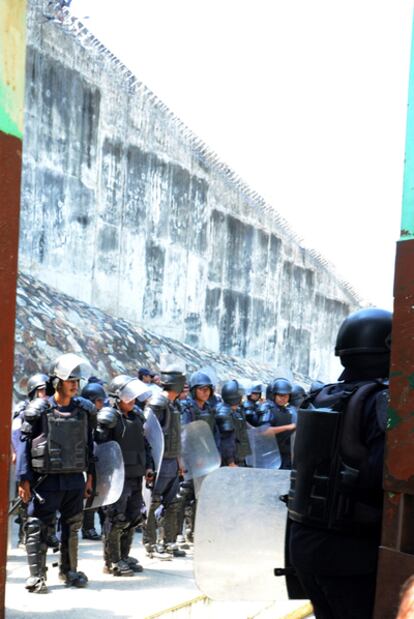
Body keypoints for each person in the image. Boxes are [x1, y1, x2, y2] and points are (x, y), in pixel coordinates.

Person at [288, 308, 392, 619]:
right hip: (351, 553)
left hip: (305, 543)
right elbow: (380, 477)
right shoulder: (380, 400)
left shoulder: (321, 395)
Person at [15, 353, 96, 593]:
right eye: (70, 380)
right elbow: (24, 445)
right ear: (57, 381)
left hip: (74, 479)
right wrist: (24, 479)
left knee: (72, 526)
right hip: (46, 480)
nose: (74, 385)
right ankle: (37, 576)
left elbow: (89, 445)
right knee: (38, 526)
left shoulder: (84, 411)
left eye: (77, 381)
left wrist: (90, 476)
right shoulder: (39, 410)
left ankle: (69, 570)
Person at [94, 375, 153, 576]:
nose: (133, 401)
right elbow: (100, 448)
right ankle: (112, 561)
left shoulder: (136, 417)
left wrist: (149, 467)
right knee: (116, 518)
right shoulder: (109, 418)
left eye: (134, 397)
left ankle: (124, 556)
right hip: (118, 478)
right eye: (128, 397)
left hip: (136, 475)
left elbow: (145, 445)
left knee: (133, 517)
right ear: (117, 397)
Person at [143, 357, 187, 558]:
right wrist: (150, 466)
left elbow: (174, 436)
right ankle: (151, 545)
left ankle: (168, 542)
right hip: (159, 462)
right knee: (152, 503)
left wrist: (179, 462)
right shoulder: (158, 403)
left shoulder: (172, 405)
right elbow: (149, 436)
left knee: (173, 502)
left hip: (171, 460)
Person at [80, 381, 107, 541]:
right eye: (99, 401)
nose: (102, 404)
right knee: (90, 496)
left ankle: (104, 526)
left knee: (102, 495)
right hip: (86, 463)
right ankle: (88, 527)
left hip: (99, 461)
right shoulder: (83, 417)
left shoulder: (101, 416)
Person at [260, 378, 296, 469]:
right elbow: (264, 431)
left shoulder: (285, 409)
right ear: (274, 395)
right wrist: (289, 427)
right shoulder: (267, 408)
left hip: (284, 453)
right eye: (280, 395)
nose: (284, 398)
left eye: (286, 396)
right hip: (270, 454)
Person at [216, 379, 251, 466]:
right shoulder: (224, 413)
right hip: (230, 461)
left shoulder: (236, 410)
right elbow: (226, 441)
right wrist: (230, 462)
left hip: (240, 456)